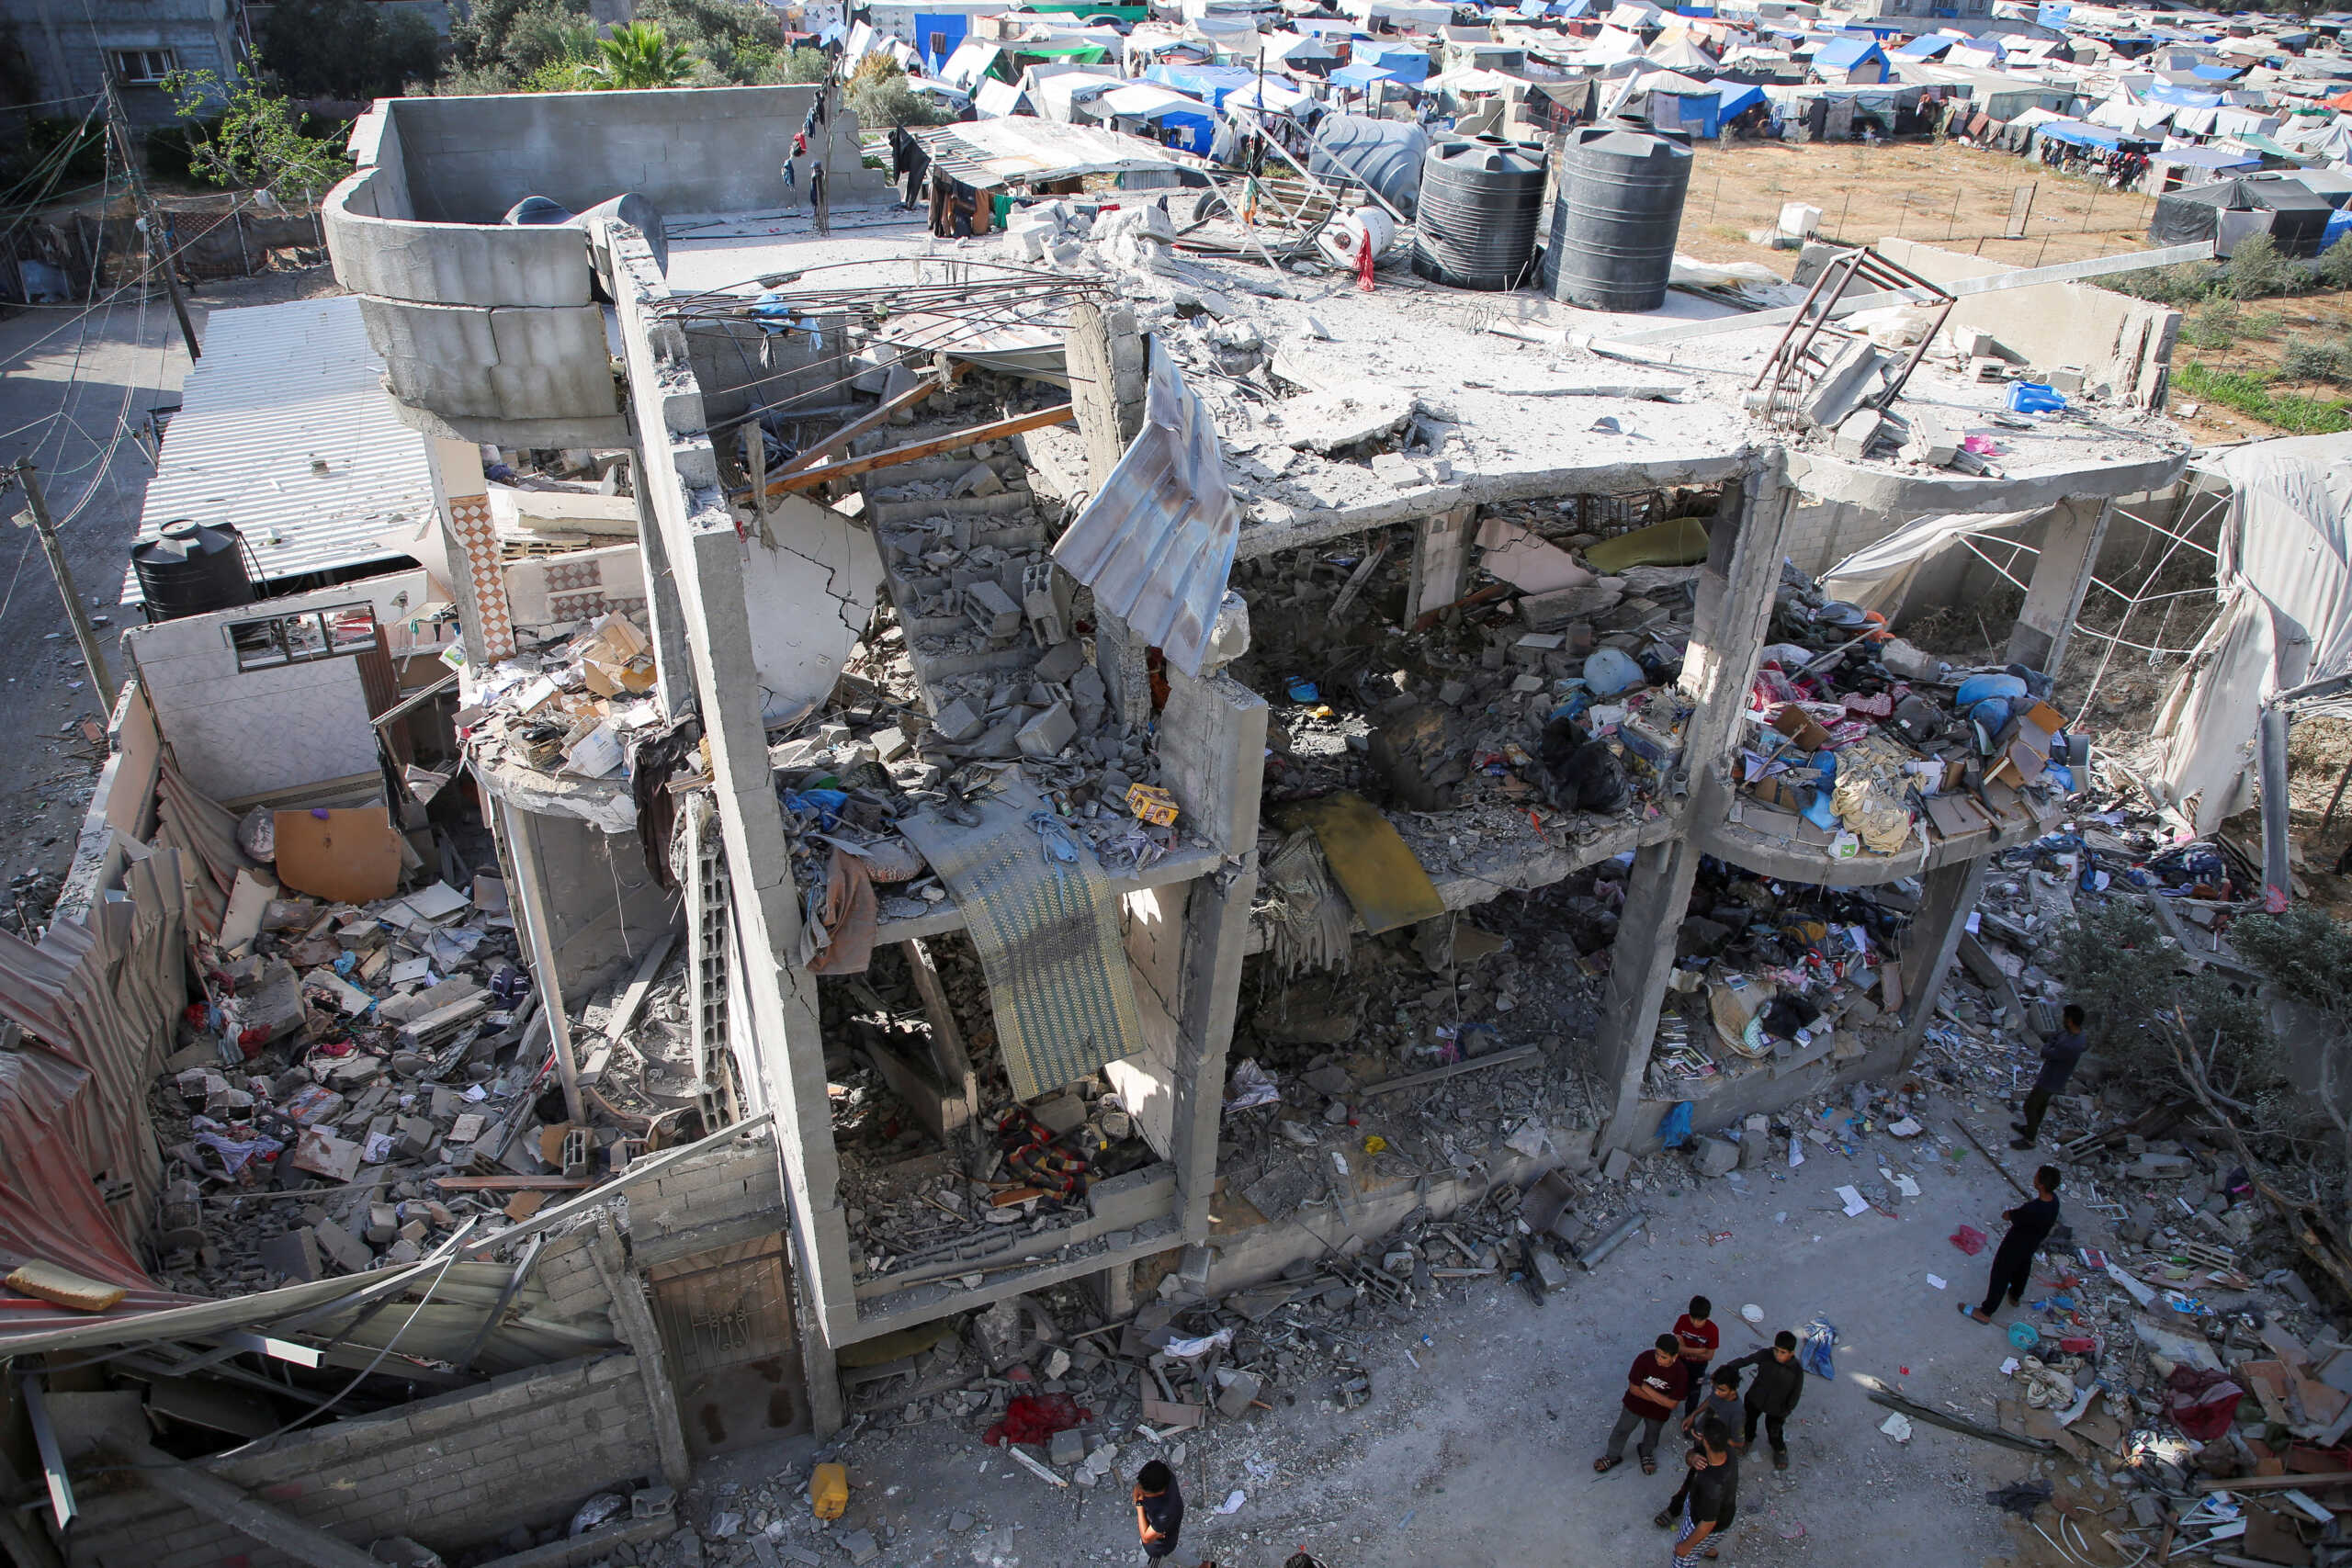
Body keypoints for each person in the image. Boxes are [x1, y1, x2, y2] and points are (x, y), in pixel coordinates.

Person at [1966, 1165, 2063, 1325]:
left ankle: (1986, 1312)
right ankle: (2015, 1295)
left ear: (2041, 1184)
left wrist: (2008, 1214)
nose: (2034, 1178)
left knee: (2000, 1274)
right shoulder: (2054, 1202)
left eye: (2036, 1177)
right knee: (2023, 1266)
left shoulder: (2032, 1209)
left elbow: (2011, 1216)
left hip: (2015, 1244)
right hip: (2033, 1243)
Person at [1656, 1371, 1745, 1528]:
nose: (1717, 1392)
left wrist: (1711, 1441)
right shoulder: (1718, 1393)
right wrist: (1694, 1415)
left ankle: (1677, 1510)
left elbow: (1738, 1443)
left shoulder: (1737, 1413)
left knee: (1697, 1483)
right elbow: (1711, 1400)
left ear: (1734, 1389)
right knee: (1692, 1474)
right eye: (1715, 1388)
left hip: (1714, 1452)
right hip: (1702, 1442)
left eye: (1721, 1390)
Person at [1598, 1334, 1691, 1476]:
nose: (1659, 1360)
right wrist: (1662, 1399)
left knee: (1652, 1434)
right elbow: (1634, 1389)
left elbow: (1672, 1404)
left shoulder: (1681, 1373)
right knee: (1622, 1430)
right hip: (1635, 1406)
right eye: (1657, 1354)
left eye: (1664, 1357)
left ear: (1675, 1357)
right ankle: (1612, 1456)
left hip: (1658, 1413)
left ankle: (1646, 1452)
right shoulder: (1644, 1359)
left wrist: (1646, 1388)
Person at [1717, 1330, 1805, 1471]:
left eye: (1782, 1352)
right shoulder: (1766, 1355)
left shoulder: (1796, 1371)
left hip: (1778, 1408)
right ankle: (1747, 1441)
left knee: (1774, 1431)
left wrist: (1786, 1410)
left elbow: (1796, 1393)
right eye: (1776, 1350)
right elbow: (1746, 1361)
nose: (1778, 1355)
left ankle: (1780, 1450)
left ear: (1791, 1353)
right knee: (1749, 1422)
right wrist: (1729, 1366)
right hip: (1755, 1398)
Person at [2013, 1005, 2089, 1149]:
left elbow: (2046, 1051)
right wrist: (2052, 1043)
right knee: (2040, 1106)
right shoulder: (2076, 1035)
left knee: (2030, 1106)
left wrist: (2049, 1044)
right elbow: (2055, 1039)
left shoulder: (2070, 1044)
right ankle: (2029, 1129)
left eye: (2065, 1017)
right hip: (2053, 1077)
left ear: (2070, 1020)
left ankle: (2029, 1139)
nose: (2063, 1019)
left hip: (2051, 1079)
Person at [1673, 1415, 1738, 1563]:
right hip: (1724, 1516)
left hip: (1704, 1523)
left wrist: (1685, 1547)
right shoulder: (1727, 1451)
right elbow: (1689, 1455)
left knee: (1682, 1558)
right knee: (1704, 1540)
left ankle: (1697, 1548)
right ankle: (1705, 1548)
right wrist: (1692, 1457)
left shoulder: (1712, 1485)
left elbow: (1707, 1524)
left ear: (1707, 1443)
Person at [1673, 1295, 1721, 1416]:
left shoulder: (1713, 1330)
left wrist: (1686, 1351)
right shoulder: (1682, 1320)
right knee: (1676, 1382)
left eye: (1700, 1320)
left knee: (1694, 1391)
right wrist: (1699, 1351)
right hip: (1680, 1361)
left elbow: (1709, 1356)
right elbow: (1678, 1348)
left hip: (1699, 1366)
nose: (1695, 1323)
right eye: (1693, 1318)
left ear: (1707, 1317)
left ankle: (1689, 1417)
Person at [1133, 1460, 1182, 1562]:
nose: (1139, 1491)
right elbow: (1138, 1488)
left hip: (1159, 1547)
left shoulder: (1165, 1513)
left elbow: (1146, 1538)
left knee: (1152, 1560)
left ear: (1159, 1492)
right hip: (1160, 1529)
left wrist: (1139, 1507)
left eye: (1145, 1493)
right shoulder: (1164, 1475)